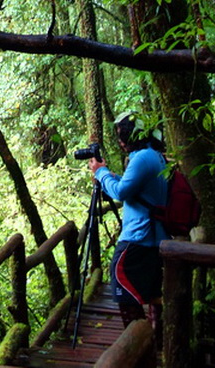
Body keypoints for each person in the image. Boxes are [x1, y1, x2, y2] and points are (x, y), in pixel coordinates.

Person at [87, 111, 169, 326]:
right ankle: (157, 340)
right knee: (152, 292)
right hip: (153, 235)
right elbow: (137, 188)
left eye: (121, 136)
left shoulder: (142, 158)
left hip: (138, 236)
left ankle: (137, 342)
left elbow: (122, 192)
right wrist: (112, 176)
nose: (120, 142)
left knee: (122, 286)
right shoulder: (154, 154)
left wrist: (101, 173)